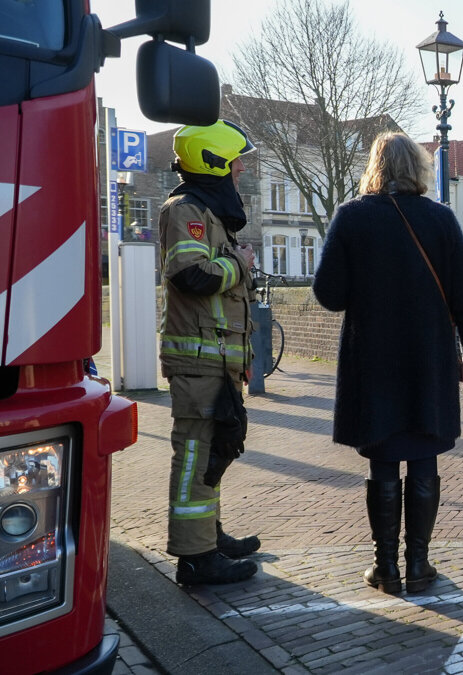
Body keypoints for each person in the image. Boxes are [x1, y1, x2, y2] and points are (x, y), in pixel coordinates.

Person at [313, 132, 463, 594]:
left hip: (373, 359)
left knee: (383, 460)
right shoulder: (441, 219)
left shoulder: (351, 217)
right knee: (424, 456)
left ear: (375, 167)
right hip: (428, 357)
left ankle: (384, 568)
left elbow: (327, 294)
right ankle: (420, 566)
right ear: (418, 168)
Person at [159, 120, 262, 586]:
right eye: (237, 161)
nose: (241, 170)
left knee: (215, 450)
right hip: (198, 361)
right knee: (196, 455)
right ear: (215, 162)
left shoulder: (207, 211)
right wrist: (238, 262)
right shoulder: (186, 211)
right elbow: (191, 276)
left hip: (216, 362)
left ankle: (208, 535)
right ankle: (195, 558)